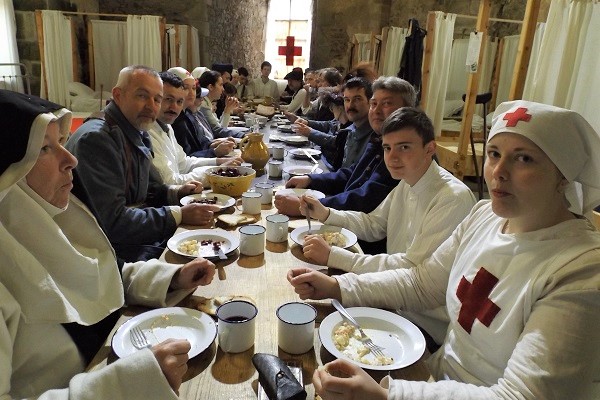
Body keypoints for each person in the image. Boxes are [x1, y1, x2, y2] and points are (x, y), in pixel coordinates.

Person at [289, 100, 600, 399]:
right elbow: (422, 283)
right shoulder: (484, 216)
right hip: (436, 375)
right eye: (494, 154)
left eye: (524, 158)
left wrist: (390, 396)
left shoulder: (581, 271)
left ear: (563, 174)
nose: (498, 172)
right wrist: (338, 285)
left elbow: (523, 395)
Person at [0, 89, 217, 399]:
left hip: (119, 354)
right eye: (45, 149)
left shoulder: (41, 222)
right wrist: (125, 383)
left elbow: (93, 277)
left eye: (61, 142)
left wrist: (170, 278)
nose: (70, 159)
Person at [299, 107, 476, 344]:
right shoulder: (408, 181)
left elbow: (412, 270)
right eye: (387, 147)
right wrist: (326, 213)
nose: (392, 157)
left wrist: (335, 257)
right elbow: (374, 224)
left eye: (404, 147)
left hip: (424, 323)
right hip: (391, 297)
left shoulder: (452, 198)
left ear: (429, 149)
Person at [66, 65, 220, 262]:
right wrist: (178, 214)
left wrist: (176, 193)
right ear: (118, 95)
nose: (151, 106)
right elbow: (113, 222)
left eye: (157, 99)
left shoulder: (136, 130)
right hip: (104, 252)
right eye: (142, 96)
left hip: (128, 238)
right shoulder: (97, 139)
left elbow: (146, 189)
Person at [148, 71, 238, 186]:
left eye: (179, 101)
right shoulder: (148, 132)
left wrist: (218, 162)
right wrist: (216, 171)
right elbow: (170, 182)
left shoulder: (167, 126)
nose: (174, 107)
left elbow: (184, 164)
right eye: (168, 99)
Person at [290, 89, 351, 171]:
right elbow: (328, 124)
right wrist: (307, 122)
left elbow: (335, 142)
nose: (331, 110)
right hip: (324, 158)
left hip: (330, 165)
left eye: (332, 108)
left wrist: (310, 132)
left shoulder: (350, 125)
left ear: (340, 108)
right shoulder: (338, 120)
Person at [198, 69, 240, 134]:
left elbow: (220, 125)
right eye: (220, 85)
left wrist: (227, 108)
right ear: (211, 87)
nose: (223, 89)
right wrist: (228, 110)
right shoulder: (203, 105)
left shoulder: (208, 102)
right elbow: (220, 131)